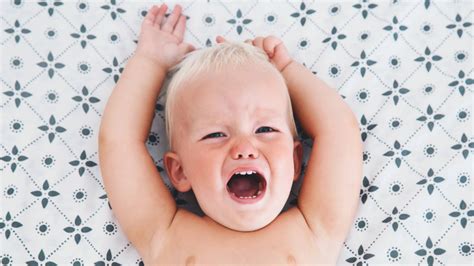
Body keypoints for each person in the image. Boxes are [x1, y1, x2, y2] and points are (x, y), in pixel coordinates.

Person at [99, 3, 363, 265]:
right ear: (179, 171)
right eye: (215, 134)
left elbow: (339, 131)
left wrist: (287, 69)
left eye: (265, 129)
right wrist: (150, 62)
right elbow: (119, 143)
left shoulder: (314, 230)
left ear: (295, 160)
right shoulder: (165, 234)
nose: (245, 147)